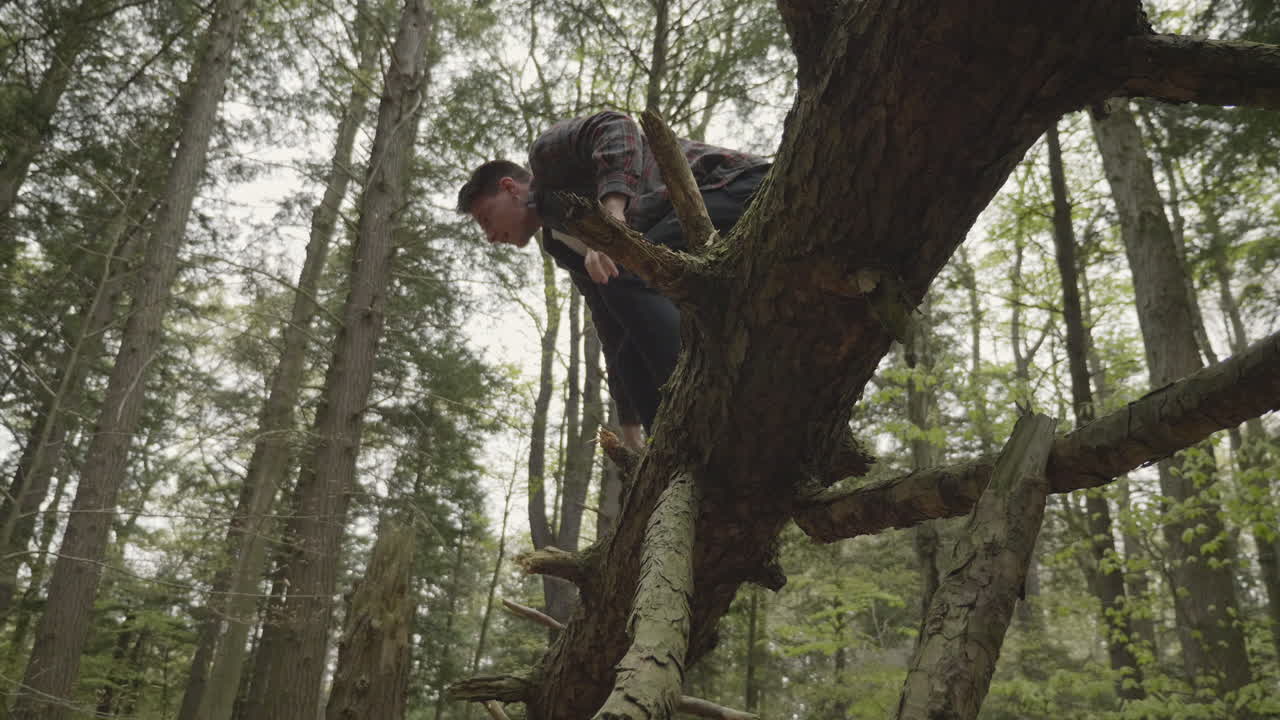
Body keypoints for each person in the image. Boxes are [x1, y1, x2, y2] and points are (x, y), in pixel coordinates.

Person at [457, 111, 769, 450]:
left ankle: (709, 398)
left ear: (510, 188)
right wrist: (629, 416)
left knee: (627, 272)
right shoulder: (561, 244)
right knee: (626, 346)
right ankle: (671, 446)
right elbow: (611, 323)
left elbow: (615, 125)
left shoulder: (547, 158)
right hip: (684, 234)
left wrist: (613, 213)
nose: (489, 236)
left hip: (732, 187)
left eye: (486, 219)